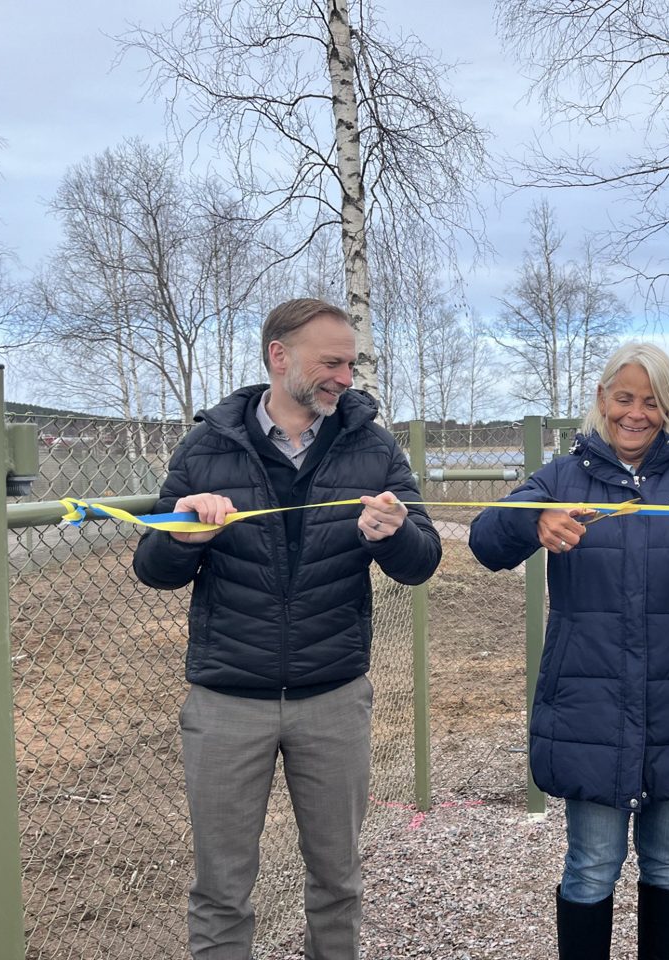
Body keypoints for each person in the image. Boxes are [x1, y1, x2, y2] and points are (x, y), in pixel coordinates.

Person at [133, 298, 441, 960]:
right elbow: (153, 569)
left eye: (351, 364)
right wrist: (183, 535)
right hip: (226, 703)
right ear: (280, 356)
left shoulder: (372, 447)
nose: (346, 379)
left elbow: (422, 561)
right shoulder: (207, 446)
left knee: (337, 882)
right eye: (332, 363)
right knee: (221, 890)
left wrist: (392, 535)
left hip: (333, 699)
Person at [469, 342, 669, 960]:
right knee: (590, 864)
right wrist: (532, 518)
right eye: (625, 398)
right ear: (602, 398)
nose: (636, 413)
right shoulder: (562, 476)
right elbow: (484, 542)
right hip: (589, 704)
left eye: (652, 402)